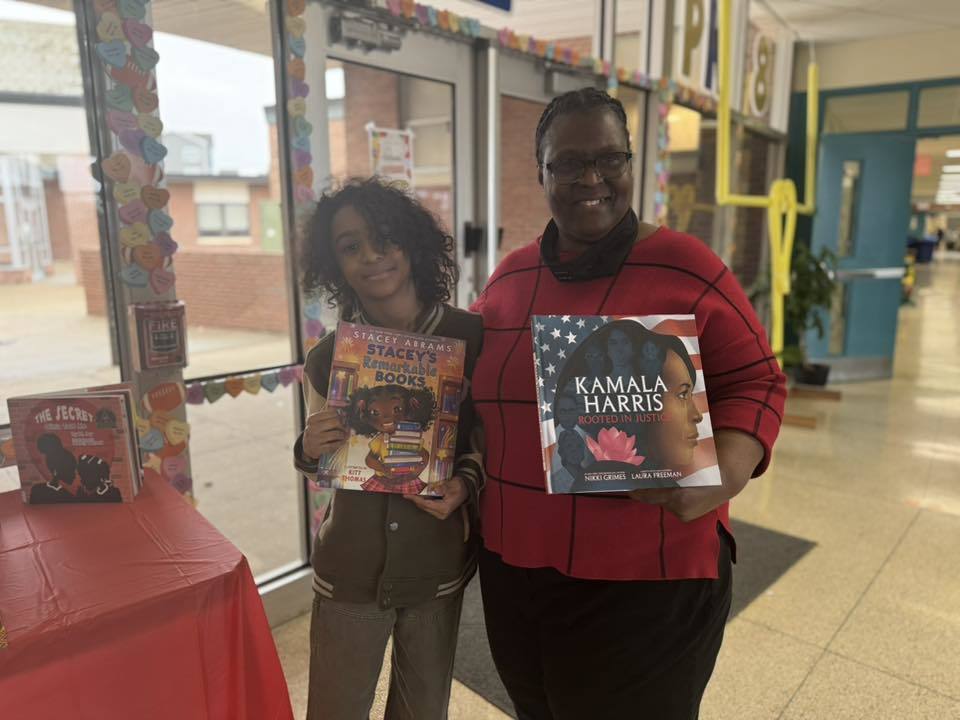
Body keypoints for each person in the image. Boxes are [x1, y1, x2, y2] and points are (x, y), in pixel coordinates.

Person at [470, 88, 786, 719]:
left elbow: (758, 380)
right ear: (541, 172)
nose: (591, 178)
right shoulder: (510, 277)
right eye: (567, 163)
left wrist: (726, 471)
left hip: (648, 571)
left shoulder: (685, 265)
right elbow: (469, 392)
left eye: (610, 159)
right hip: (516, 568)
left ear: (632, 163)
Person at [292, 178, 484, 720]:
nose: (371, 256)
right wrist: (310, 448)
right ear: (334, 264)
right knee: (335, 708)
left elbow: (489, 439)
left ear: (412, 244)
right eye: (351, 247)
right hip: (351, 571)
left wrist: (465, 483)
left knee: (423, 709)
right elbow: (323, 465)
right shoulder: (329, 359)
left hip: (436, 565)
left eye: (385, 239)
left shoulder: (473, 338)